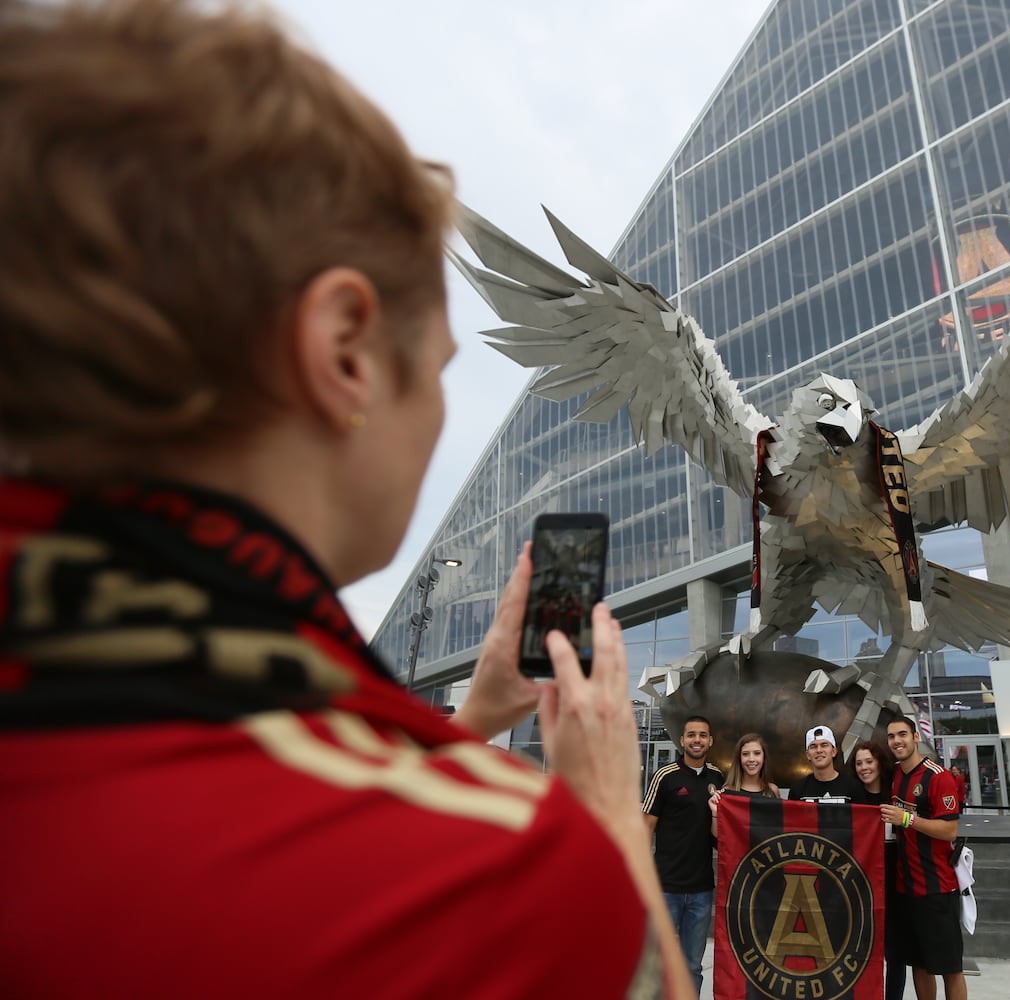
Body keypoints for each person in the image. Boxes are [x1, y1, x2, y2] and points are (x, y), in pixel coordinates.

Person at [0, 2, 693, 996]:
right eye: (443, 366)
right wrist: (608, 815)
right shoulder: (501, 878)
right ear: (344, 352)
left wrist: (471, 721)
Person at [881, 717, 966, 1000]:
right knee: (919, 965)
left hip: (938, 889)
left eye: (902, 734)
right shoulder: (894, 775)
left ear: (916, 736)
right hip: (907, 889)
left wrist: (906, 818)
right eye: (892, 736)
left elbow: (949, 829)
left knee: (950, 968)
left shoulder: (937, 776)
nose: (897, 741)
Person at [644, 715, 722, 994]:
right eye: (691, 735)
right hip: (666, 887)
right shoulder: (664, 776)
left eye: (702, 735)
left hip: (701, 889)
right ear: (682, 740)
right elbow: (647, 826)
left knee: (692, 965)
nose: (697, 740)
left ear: (710, 741)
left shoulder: (717, 777)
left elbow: (721, 830)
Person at [852, 739, 905, 1000]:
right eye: (859, 763)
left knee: (895, 954)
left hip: (894, 884)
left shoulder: (896, 793)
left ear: (879, 763)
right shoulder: (853, 796)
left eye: (869, 761)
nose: (864, 768)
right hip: (861, 886)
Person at [707, 731, 778, 838]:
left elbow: (779, 830)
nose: (751, 759)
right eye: (745, 754)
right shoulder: (728, 792)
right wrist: (715, 813)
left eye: (757, 753)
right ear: (739, 758)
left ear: (764, 757)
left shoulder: (773, 790)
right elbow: (719, 836)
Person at [788, 724, 861, 801]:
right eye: (813, 746)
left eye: (824, 745)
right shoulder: (797, 790)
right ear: (808, 755)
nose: (819, 750)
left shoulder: (853, 787)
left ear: (833, 752)